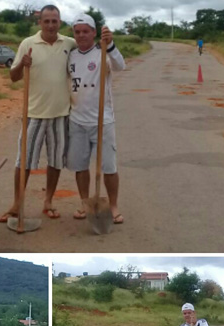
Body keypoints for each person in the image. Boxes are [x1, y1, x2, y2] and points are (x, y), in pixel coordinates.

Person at [0, 4, 76, 222]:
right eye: (46, 21)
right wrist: (23, 64)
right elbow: (13, 77)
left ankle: (48, 201)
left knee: (55, 161)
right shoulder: (27, 44)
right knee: (23, 161)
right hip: (34, 113)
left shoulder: (69, 44)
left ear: (60, 23)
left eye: (55, 21)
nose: (51, 25)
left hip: (61, 114)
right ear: (40, 22)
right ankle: (17, 203)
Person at [67, 14, 125, 224]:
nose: (81, 35)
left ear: (93, 32)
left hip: (103, 120)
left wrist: (110, 45)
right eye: (77, 31)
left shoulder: (103, 54)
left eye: (86, 31)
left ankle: (113, 205)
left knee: (109, 167)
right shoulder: (71, 55)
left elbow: (120, 66)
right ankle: (85, 203)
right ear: (74, 33)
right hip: (77, 120)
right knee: (81, 166)